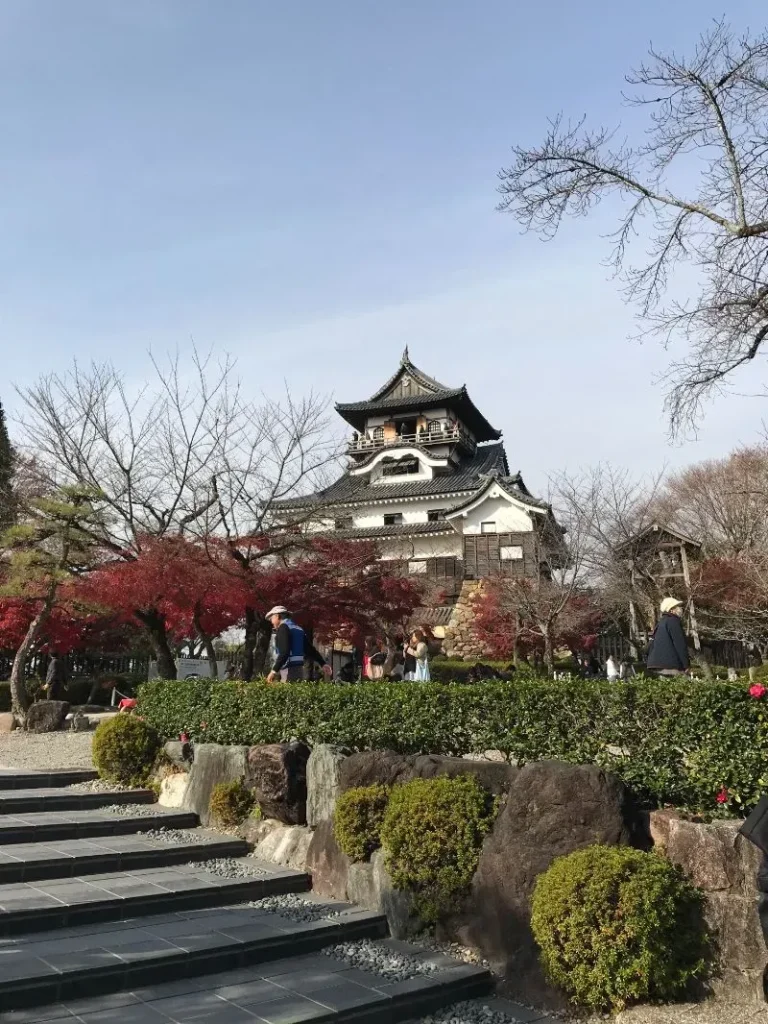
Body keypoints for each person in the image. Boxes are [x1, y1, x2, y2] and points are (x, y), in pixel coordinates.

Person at [264, 606, 331, 683]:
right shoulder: (298, 629)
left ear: (277, 616)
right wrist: (322, 663)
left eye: (271, 618)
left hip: (287, 670)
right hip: (298, 671)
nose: (271, 622)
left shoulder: (283, 628)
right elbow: (310, 650)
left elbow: (284, 652)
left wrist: (273, 671)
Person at [646, 597, 690, 676]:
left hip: (656, 665)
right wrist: (686, 665)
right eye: (678, 607)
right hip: (670, 665)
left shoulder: (660, 623)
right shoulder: (673, 621)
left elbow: (651, 644)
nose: (681, 609)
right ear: (671, 609)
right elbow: (680, 644)